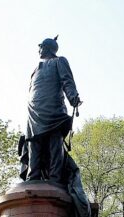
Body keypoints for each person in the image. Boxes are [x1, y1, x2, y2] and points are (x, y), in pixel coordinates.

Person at [26, 36, 81, 183]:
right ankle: (33, 178)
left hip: (54, 110)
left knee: (54, 143)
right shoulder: (35, 69)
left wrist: (73, 97)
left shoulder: (59, 61)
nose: (38, 50)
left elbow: (67, 81)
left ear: (46, 47)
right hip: (34, 111)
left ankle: (55, 179)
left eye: (40, 47)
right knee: (34, 144)